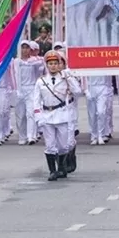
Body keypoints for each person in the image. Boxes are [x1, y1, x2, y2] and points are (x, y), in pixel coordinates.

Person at [32, 50, 81, 181]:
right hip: (47, 115)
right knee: (49, 145)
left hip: (62, 115)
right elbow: (36, 101)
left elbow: (77, 92)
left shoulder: (65, 78)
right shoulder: (41, 81)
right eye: (50, 63)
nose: (53, 66)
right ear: (46, 65)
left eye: (55, 63)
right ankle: (53, 171)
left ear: (59, 64)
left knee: (64, 146)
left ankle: (61, 168)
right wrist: (38, 117)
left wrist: (69, 78)